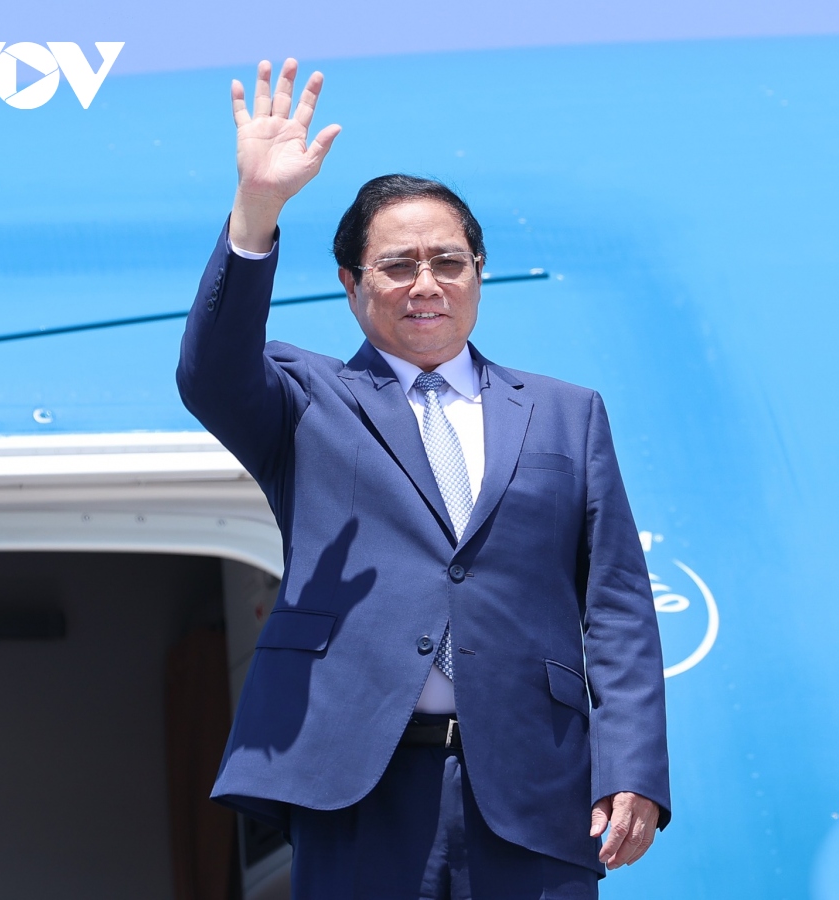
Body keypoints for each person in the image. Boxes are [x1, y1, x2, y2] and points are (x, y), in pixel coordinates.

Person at [177, 58, 670, 899]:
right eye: (398, 266)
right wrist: (256, 210)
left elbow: (617, 604)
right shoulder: (307, 398)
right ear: (351, 284)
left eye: (449, 261)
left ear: (479, 272)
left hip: (536, 787)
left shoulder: (567, 413)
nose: (427, 285)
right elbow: (211, 372)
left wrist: (633, 766)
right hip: (359, 786)